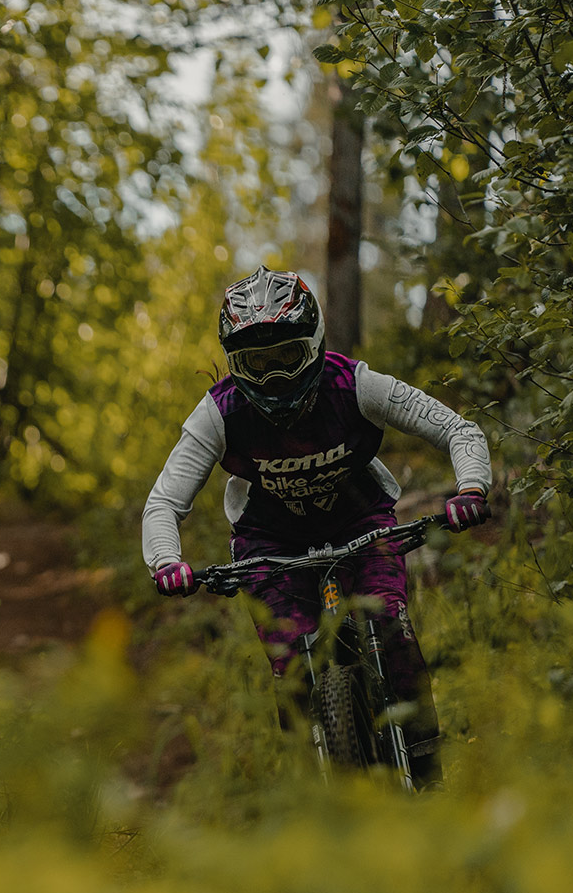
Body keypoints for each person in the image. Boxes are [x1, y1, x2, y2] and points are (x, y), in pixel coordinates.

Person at [141, 266, 492, 785]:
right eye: (256, 363)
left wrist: (471, 488)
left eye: (286, 357)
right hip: (269, 544)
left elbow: (458, 430)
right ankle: (310, 793)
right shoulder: (219, 414)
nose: (275, 376)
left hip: (362, 524)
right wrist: (167, 561)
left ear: (313, 342)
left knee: (391, 631)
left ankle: (428, 772)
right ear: (234, 362)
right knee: (289, 666)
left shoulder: (356, 385)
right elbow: (164, 502)